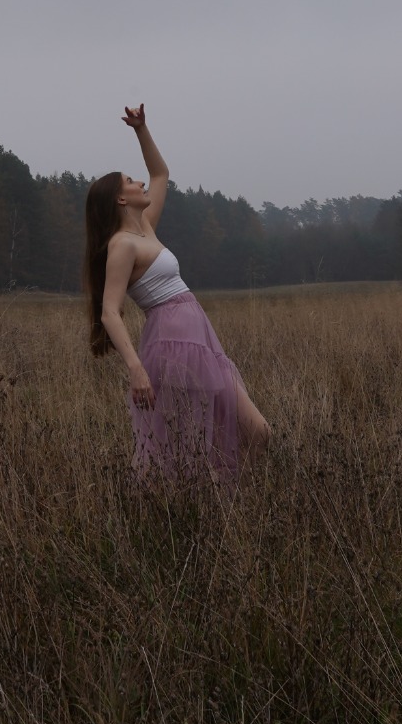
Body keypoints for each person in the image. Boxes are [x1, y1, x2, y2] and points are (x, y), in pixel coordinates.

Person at [83, 105, 271, 483]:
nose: (140, 183)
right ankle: (179, 519)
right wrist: (136, 370)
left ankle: (233, 509)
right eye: (131, 182)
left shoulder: (145, 229)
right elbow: (109, 312)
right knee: (188, 448)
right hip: (171, 346)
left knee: (256, 433)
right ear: (121, 200)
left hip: (200, 340)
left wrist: (141, 130)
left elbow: (160, 172)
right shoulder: (122, 245)